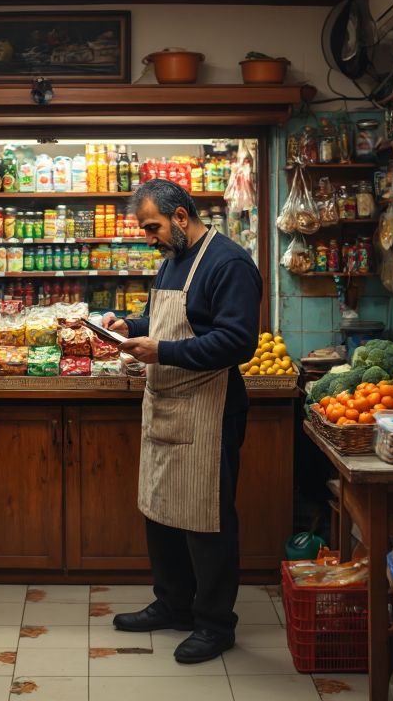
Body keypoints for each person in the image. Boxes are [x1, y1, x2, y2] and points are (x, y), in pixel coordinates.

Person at [103, 178, 261, 664]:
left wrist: (163, 351)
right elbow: (165, 320)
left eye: (152, 227)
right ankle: (174, 604)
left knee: (206, 520)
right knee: (162, 511)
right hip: (168, 402)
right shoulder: (173, 259)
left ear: (180, 216)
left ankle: (214, 623)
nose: (148, 237)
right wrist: (130, 325)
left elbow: (238, 342)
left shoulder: (229, 264)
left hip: (210, 409)